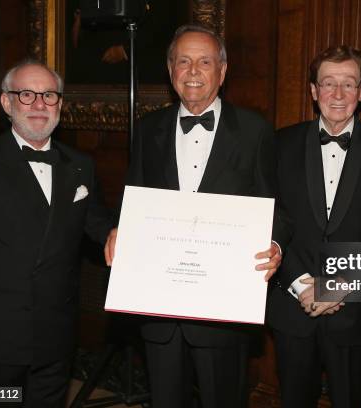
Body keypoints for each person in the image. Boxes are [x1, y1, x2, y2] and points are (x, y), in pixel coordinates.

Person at [103, 24, 282, 408]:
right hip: (159, 310)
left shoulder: (255, 131)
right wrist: (121, 229)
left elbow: (276, 205)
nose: (194, 70)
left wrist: (276, 244)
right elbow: (133, 200)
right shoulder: (147, 129)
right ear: (170, 72)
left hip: (225, 309)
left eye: (204, 61)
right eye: (183, 61)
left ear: (223, 70)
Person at [0, 60, 113, 406]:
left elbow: (97, 223)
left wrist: (120, 233)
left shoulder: (81, 165)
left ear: (60, 104)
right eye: (27, 95)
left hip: (55, 336)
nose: (39, 105)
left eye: (49, 95)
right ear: (6, 103)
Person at [266, 45, 361, 408]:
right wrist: (301, 284)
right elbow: (272, 220)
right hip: (292, 308)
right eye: (329, 83)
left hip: (356, 312)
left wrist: (335, 288)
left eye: (349, 84)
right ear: (313, 91)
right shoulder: (280, 144)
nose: (338, 94)